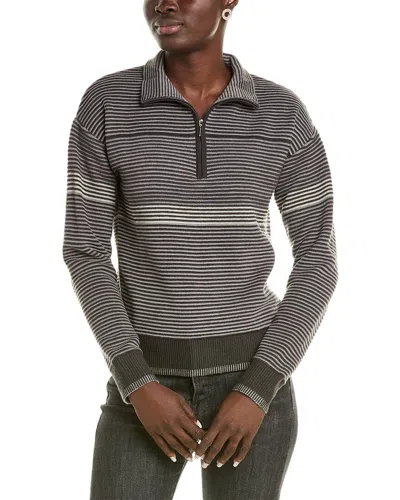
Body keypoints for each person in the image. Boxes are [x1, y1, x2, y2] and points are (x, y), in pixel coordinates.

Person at [62, 1, 339, 499]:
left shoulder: (282, 113)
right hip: (144, 386)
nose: (164, 3)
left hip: (254, 388)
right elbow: (85, 251)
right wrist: (136, 382)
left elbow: (318, 257)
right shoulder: (107, 103)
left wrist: (259, 387)